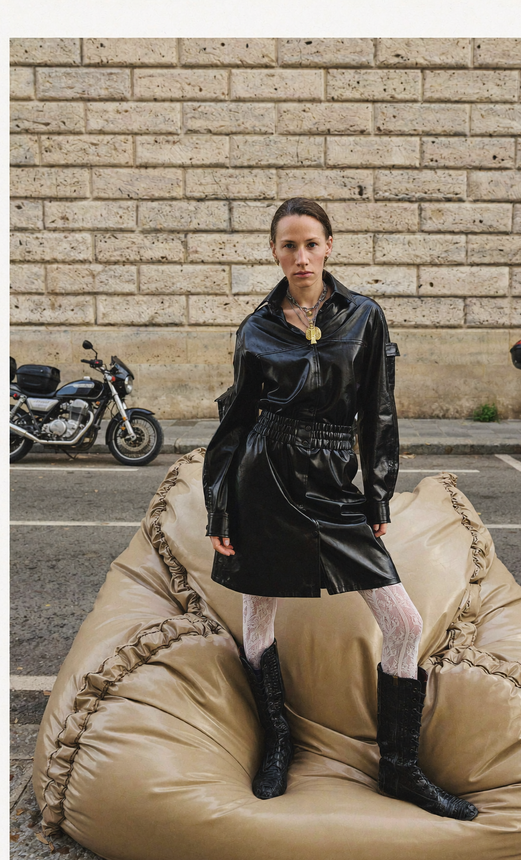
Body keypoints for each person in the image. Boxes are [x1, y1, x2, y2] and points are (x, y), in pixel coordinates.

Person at [203, 198, 477, 822]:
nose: (301, 257)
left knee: (402, 621)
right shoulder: (255, 329)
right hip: (263, 477)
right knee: (259, 614)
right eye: (289, 245)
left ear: (329, 246)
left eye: (311, 244)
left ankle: (399, 767)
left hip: (332, 479)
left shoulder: (364, 316)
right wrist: (220, 507)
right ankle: (278, 743)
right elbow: (236, 419)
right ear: (274, 252)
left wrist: (377, 491)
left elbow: (378, 409)